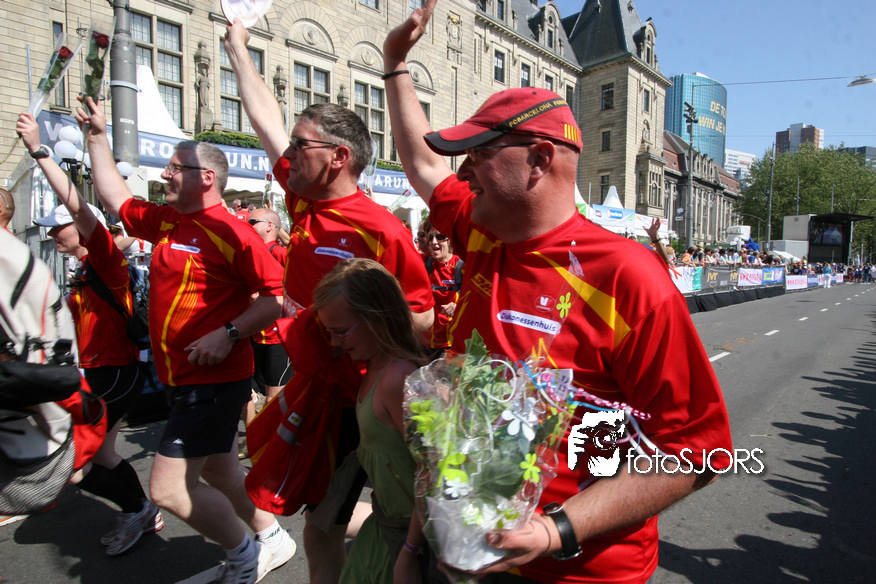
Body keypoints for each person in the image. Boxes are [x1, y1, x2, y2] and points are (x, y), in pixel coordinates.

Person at [381, 2, 733, 583]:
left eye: (481, 155)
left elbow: (697, 451)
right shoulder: (483, 231)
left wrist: (555, 530)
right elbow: (423, 165)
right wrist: (396, 63)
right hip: (467, 550)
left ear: (540, 160)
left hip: (582, 570)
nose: (464, 172)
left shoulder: (627, 277)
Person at [223, 19, 434, 584]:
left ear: (338, 156)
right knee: (318, 526)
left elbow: (423, 320)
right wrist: (237, 48)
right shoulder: (302, 200)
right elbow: (265, 121)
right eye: (292, 145)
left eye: (301, 145)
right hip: (317, 391)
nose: (288, 153)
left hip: (364, 400)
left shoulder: (382, 229)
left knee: (387, 523)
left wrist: (348, 325)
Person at [74, 97, 296, 584]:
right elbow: (115, 197)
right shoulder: (168, 220)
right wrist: (96, 137)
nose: (166, 174)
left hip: (212, 381)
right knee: (219, 471)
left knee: (169, 490)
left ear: (207, 177)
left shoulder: (234, 233)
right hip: (179, 377)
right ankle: (272, 536)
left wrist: (229, 333)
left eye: (176, 168)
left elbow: (276, 297)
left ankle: (243, 555)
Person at [17, 112, 159, 556]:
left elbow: (79, 206)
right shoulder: (82, 268)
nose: (50, 233)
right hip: (97, 372)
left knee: (74, 463)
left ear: (81, 229)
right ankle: (142, 510)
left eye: (56, 226)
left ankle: (138, 509)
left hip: (116, 373)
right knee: (103, 454)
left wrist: (40, 151)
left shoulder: (103, 259)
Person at [311, 258, 428, 584]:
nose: (334, 342)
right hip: (384, 525)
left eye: (340, 332)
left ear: (377, 318)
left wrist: (409, 554)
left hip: (408, 539)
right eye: (329, 332)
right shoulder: (375, 367)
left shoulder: (397, 378)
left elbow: (433, 473)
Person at [243, 208, 293, 434]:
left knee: (273, 398)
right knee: (247, 394)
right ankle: (255, 439)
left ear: (269, 226)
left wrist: (270, 296)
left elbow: (300, 285)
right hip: (252, 334)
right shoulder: (247, 252)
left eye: (252, 221)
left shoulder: (280, 253)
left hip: (277, 337)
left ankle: (271, 444)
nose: (247, 224)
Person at [420, 221, 463, 359]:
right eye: (430, 237)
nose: (434, 242)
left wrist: (459, 306)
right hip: (424, 343)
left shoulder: (462, 266)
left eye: (440, 237)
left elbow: (477, 300)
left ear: (450, 240)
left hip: (451, 345)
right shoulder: (423, 262)